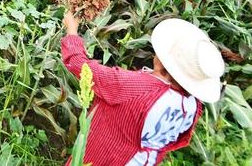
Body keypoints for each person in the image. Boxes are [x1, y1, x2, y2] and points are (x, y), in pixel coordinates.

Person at [61, 11, 225, 166]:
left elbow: (82, 68)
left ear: (161, 61)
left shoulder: (137, 88)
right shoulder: (192, 106)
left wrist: (72, 31)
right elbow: (174, 141)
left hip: (107, 157)